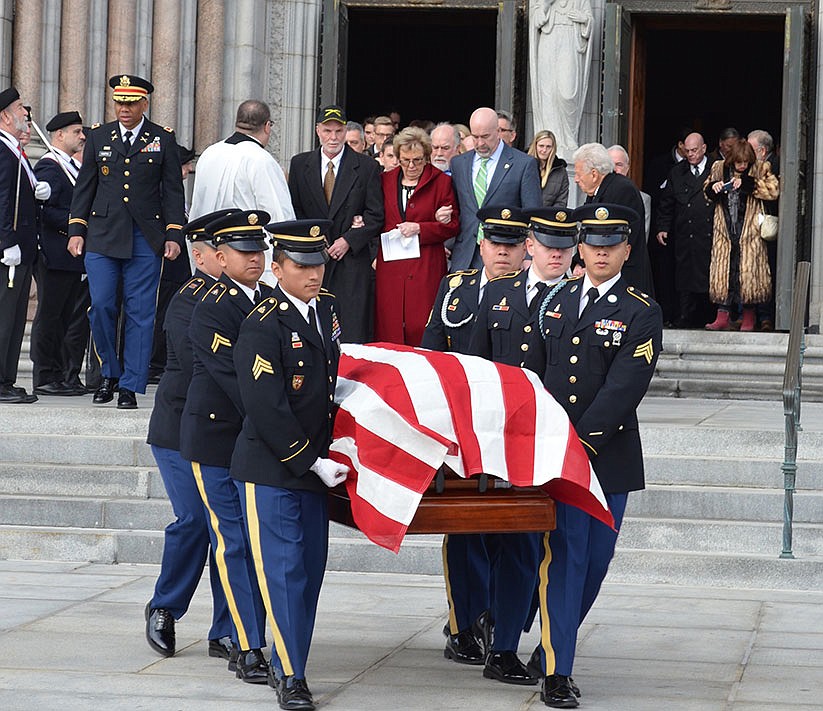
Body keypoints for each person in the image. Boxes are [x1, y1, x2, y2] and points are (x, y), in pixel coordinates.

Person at [525, 203, 662, 708]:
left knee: (594, 564)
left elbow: (625, 386)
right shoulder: (555, 302)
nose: (601, 253)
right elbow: (536, 374)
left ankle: (553, 643)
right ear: (580, 248)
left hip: (607, 459)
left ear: (626, 250)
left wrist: (580, 445)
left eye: (612, 246)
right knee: (563, 559)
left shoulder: (641, 309)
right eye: (593, 245)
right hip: (559, 459)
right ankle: (558, 670)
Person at [231, 219, 347, 711]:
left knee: (309, 572)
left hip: (314, 468)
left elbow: (333, 380)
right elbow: (266, 406)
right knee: (283, 573)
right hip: (273, 469)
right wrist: (310, 460)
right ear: (277, 268)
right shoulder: (263, 323)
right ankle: (291, 675)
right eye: (301, 265)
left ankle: (291, 657)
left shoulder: (327, 312)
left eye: (318, 263)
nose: (313, 273)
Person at [466, 205, 569, 687]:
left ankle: (510, 633)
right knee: (511, 544)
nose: (558, 255)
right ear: (530, 247)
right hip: (501, 445)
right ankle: (502, 640)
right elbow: (477, 368)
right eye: (548, 246)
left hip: (555, 445)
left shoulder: (576, 299)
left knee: (539, 550)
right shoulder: (499, 294)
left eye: (566, 248)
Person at [179, 210, 273, 684]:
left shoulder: (273, 299)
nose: (255, 258)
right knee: (234, 541)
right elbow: (240, 380)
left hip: (256, 439)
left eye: (260, 250)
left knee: (256, 544)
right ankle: (246, 643)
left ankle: (249, 634)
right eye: (244, 251)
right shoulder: (210, 306)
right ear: (219, 257)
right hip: (217, 438)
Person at [144, 210, 233, 664]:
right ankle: (164, 607)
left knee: (228, 529)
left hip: (222, 431)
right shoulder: (190, 299)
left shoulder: (246, 298)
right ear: (200, 256)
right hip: (180, 428)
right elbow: (206, 367)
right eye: (225, 250)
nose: (235, 256)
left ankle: (227, 628)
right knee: (196, 520)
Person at [68, 74, 186, 409]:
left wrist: (174, 234)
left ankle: (130, 384)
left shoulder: (162, 139)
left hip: (145, 237)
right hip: (103, 236)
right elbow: (85, 187)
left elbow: (173, 192)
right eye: (120, 102)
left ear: (144, 104)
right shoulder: (99, 136)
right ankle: (109, 371)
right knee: (102, 305)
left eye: (131, 103)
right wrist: (76, 229)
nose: (124, 108)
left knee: (141, 312)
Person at [288, 105, 384, 343]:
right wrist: (315, 241)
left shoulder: (366, 166)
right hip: (311, 260)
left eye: (338, 131)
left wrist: (348, 240)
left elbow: (376, 215)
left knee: (351, 329)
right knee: (311, 325)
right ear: (317, 131)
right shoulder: (300, 164)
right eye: (328, 130)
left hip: (351, 263)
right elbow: (295, 210)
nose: (333, 137)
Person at [189, 99, 295, 286]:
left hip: (211, 257)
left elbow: (197, 207)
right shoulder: (262, 160)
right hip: (251, 260)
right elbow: (280, 217)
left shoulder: (209, 153)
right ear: (267, 126)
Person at [374, 127, 459, 346]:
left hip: (425, 265)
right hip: (391, 267)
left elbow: (453, 226)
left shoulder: (441, 182)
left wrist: (421, 228)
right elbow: (374, 217)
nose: (411, 166)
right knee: (389, 324)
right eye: (405, 160)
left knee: (421, 324)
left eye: (418, 160)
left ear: (427, 157)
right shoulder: (385, 180)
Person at [30, 110, 89, 396]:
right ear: (59, 135)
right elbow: (47, 212)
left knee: (66, 317)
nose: (81, 136)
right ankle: (44, 374)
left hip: (71, 255)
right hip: (55, 251)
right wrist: (77, 222)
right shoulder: (50, 167)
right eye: (77, 132)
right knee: (50, 315)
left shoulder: (72, 168)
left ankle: (62, 374)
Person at [449, 107, 541, 271]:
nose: (480, 143)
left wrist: (528, 256)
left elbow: (533, 215)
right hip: (465, 256)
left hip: (504, 255)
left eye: (485, 136)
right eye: (475, 137)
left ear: (498, 131)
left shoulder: (523, 164)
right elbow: (457, 210)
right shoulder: (459, 164)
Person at [0, 87, 47, 404]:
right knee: (4, 317)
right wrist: (6, 242)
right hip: (9, 253)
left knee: (15, 319)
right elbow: (2, 200)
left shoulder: (14, 150)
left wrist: (36, 191)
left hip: (23, 249)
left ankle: (6, 379)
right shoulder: (3, 151)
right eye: (19, 108)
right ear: (4, 116)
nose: (25, 113)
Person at [704, 138, 779, 331]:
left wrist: (748, 184)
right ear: (732, 159)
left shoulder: (761, 168)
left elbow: (774, 191)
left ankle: (748, 318)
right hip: (725, 230)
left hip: (750, 232)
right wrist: (714, 188)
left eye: (746, 162)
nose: (743, 166)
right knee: (724, 273)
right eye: (739, 163)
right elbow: (706, 192)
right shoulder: (718, 168)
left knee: (748, 276)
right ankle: (722, 315)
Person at [573, 142, 654, 296]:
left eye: (578, 174)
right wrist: (580, 261)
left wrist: (586, 263)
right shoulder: (598, 191)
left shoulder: (622, 190)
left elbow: (613, 237)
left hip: (623, 277)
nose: (576, 179)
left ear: (594, 173)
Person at [655, 132, 714, 328]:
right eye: (687, 151)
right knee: (684, 277)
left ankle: (710, 315)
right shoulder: (677, 172)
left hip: (710, 235)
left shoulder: (716, 169)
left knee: (709, 277)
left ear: (704, 148)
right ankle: (685, 315)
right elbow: (667, 203)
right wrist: (663, 227)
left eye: (694, 150)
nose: (690, 155)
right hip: (685, 235)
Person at [148, 143, 195, 383]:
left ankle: (160, 360)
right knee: (161, 313)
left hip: (178, 268)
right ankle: (154, 363)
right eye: (184, 165)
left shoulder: (174, 191)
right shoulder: (162, 191)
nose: (187, 171)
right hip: (168, 265)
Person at [748, 129, 780, 331]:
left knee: (766, 272)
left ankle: (767, 316)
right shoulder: (748, 165)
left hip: (768, 228)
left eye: (750, 148)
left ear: (761, 151)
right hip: (750, 231)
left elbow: (773, 192)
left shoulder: (774, 165)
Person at [527, 129, 569, 207]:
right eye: (541, 146)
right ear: (535, 146)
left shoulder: (560, 171)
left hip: (547, 217)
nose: (544, 150)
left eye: (548, 147)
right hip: (523, 216)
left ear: (553, 148)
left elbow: (561, 202)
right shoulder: (522, 164)